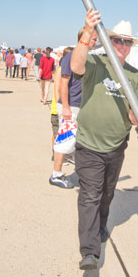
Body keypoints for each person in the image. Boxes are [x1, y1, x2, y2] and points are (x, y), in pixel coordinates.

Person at [70, 9, 138, 270]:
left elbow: (136, 114)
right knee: (90, 195)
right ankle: (89, 252)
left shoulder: (135, 76)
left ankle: (101, 225)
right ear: (109, 41)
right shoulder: (96, 63)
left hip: (116, 146)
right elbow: (75, 66)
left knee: (106, 194)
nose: (122, 45)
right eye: (118, 40)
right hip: (89, 145)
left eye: (127, 42)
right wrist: (88, 30)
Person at [49, 29, 98, 189]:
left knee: (77, 141)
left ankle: (82, 173)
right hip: (72, 106)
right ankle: (56, 174)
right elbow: (64, 82)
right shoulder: (71, 56)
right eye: (94, 38)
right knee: (65, 140)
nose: (96, 42)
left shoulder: (88, 57)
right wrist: (66, 108)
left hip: (81, 106)